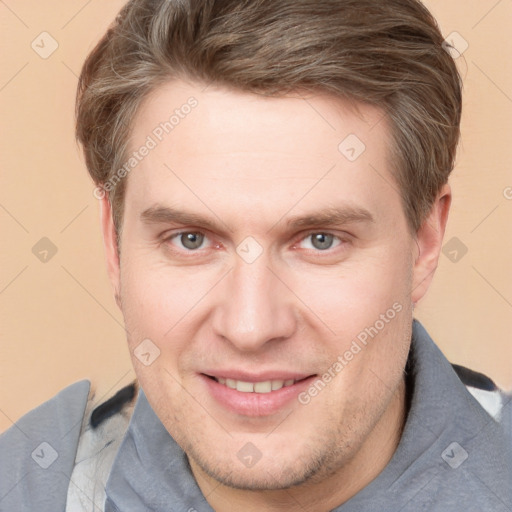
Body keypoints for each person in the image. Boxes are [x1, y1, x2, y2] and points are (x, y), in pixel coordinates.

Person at [1, 0, 510, 510]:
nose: (250, 327)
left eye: (320, 240)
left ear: (424, 243)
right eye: (191, 239)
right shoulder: (24, 486)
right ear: (114, 244)